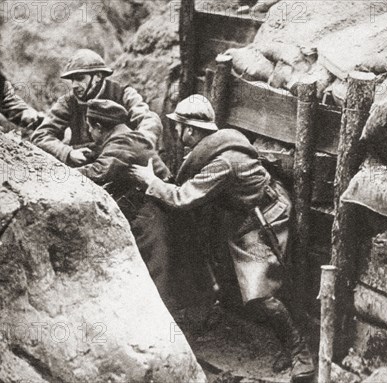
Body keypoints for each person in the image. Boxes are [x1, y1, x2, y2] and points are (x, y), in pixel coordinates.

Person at [130, 94, 315, 383]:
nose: (177, 135)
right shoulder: (216, 153)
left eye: (179, 128)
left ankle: (300, 351)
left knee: (259, 294)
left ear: (190, 130)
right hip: (245, 215)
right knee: (239, 281)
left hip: (265, 216)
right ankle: (280, 341)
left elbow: (182, 197)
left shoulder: (223, 163)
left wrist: (151, 182)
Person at [76, 99, 174, 304]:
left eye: (90, 128)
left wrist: (56, 172)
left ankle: (154, 317)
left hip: (153, 207)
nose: (91, 134)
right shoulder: (127, 137)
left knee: (152, 264)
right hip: (153, 203)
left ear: (99, 127)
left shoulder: (123, 141)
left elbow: (99, 172)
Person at [31, 48, 161, 167]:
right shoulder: (68, 102)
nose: (75, 85)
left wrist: (137, 144)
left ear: (98, 76)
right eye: (72, 80)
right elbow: (41, 135)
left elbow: (149, 119)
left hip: (123, 164)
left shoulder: (123, 94)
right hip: (87, 170)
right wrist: (68, 153)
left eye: (80, 78)